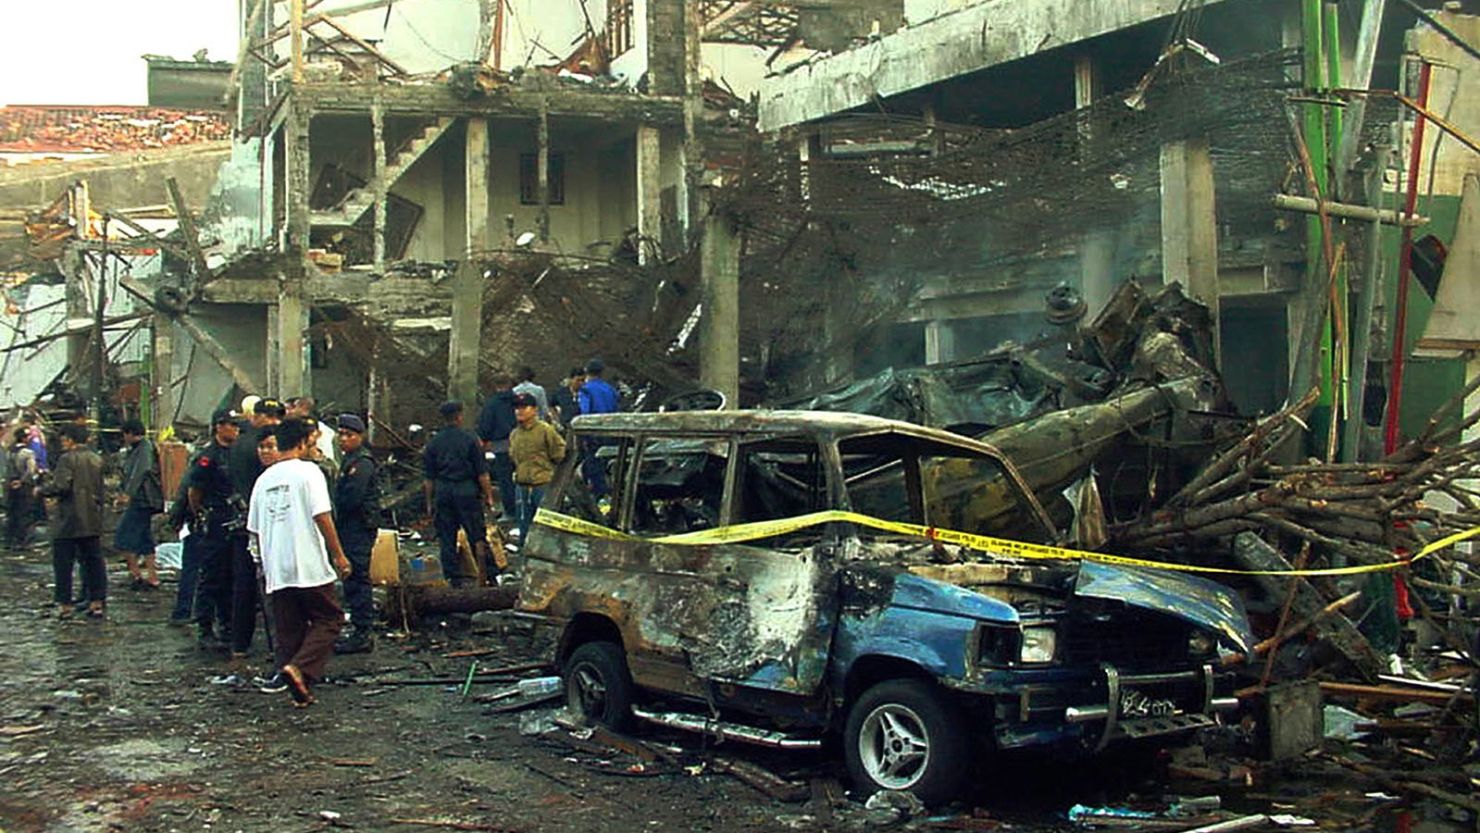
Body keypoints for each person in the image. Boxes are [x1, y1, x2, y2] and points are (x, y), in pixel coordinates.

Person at [247, 419, 352, 707]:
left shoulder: (264, 479)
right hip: (307, 563)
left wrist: (262, 562)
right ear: (303, 442)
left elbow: (253, 529)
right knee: (330, 618)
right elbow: (322, 516)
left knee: (290, 629)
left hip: (276, 567)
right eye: (313, 440)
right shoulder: (309, 472)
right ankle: (301, 668)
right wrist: (339, 554)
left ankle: (300, 689)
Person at [424, 401, 496, 587]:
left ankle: (453, 577)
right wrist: (488, 496)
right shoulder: (470, 439)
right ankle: (487, 574)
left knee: (447, 536)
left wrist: (430, 502)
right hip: (466, 491)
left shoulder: (434, 443)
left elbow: (429, 478)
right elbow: (482, 473)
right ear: (459, 417)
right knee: (476, 534)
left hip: (443, 492)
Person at [187, 409, 242, 651]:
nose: (235, 430)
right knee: (211, 574)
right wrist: (202, 513)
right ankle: (205, 625)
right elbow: (194, 491)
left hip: (235, 518)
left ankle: (228, 623)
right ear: (219, 427)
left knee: (231, 574)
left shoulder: (238, 453)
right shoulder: (208, 457)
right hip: (216, 517)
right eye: (231, 425)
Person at [39, 424, 105, 618]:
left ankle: (65, 605)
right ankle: (97, 602)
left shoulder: (66, 459)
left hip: (68, 519)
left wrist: (42, 490)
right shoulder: (96, 459)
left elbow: (61, 486)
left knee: (63, 564)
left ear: (70, 439)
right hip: (92, 519)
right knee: (94, 562)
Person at [332, 414, 378, 654]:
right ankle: (359, 629)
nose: (344, 439)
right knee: (351, 578)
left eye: (349, 435)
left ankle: (363, 632)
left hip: (357, 527)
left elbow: (352, 498)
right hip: (350, 527)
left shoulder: (362, 463)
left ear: (360, 436)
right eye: (341, 434)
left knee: (357, 577)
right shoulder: (349, 460)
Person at [509, 393, 565, 547]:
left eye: (524, 407)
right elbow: (513, 458)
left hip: (542, 485)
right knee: (524, 527)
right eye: (517, 408)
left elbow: (560, 454)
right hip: (522, 487)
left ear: (534, 410)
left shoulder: (546, 430)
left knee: (544, 529)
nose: (519, 411)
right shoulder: (515, 434)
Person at [115, 420, 165, 589]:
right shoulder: (138, 449)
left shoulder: (144, 448)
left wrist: (128, 492)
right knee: (145, 537)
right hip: (143, 499)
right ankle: (151, 576)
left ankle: (136, 573)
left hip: (143, 499)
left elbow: (141, 470)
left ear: (129, 433)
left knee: (123, 536)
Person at [476, 375, 519, 521]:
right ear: (511, 385)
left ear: (496, 386)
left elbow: (485, 425)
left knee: (505, 480)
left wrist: (483, 439)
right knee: (525, 477)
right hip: (521, 443)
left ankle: (511, 512)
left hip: (501, 446)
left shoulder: (492, 404)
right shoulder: (519, 401)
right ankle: (527, 509)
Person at [577, 359, 620, 497]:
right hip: (612, 432)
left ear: (586, 372)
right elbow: (616, 409)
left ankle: (600, 497)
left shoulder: (585, 390)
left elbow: (585, 413)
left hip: (594, 434)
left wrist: (582, 435)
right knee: (610, 465)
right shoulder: (610, 389)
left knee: (594, 467)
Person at [5, 426, 38, 551]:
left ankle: (9, 540)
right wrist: (22, 481)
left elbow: (6, 469)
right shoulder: (28, 453)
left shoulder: (9, 451)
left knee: (12, 512)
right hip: (24, 487)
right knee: (25, 513)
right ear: (24, 438)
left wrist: (11, 482)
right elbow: (30, 470)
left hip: (10, 485)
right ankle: (23, 541)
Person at [290, 396, 338, 463]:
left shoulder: (323, 430)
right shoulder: (293, 426)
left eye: (294, 407)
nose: (291, 411)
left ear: (303, 407)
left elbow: (328, 455)